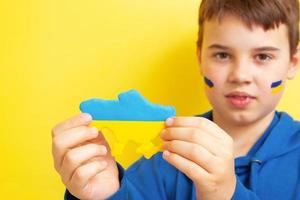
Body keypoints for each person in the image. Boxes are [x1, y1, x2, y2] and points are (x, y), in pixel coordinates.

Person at [51, 0, 300, 199]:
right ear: (200, 57)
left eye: (263, 57)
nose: (241, 75)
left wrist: (226, 194)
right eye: (223, 55)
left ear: (293, 62)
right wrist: (104, 196)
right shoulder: (164, 158)